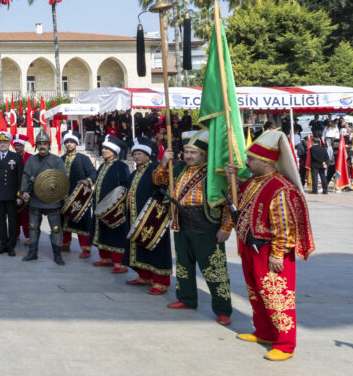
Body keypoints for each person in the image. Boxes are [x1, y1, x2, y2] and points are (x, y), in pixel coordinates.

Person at [226, 130, 315, 361]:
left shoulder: (280, 187)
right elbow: (239, 205)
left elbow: (284, 225)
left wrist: (277, 254)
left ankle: (285, 345)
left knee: (277, 297)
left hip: (270, 250)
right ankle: (264, 332)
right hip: (251, 247)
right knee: (256, 293)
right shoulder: (255, 181)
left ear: (266, 162)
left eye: (251, 159)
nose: (247, 162)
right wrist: (232, 180)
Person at [152, 130, 233, 325]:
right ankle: (186, 298)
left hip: (206, 224)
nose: (188, 156)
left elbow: (228, 201)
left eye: (193, 152)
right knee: (183, 266)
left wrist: (226, 227)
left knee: (214, 269)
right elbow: (157, 180)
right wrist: (164, 161)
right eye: (186, 151)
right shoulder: (178, 168)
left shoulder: (215, 173)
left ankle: (223, 309)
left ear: (203, 154)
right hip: (181, 222)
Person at [125, 137, 172, 294]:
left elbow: (161, 184)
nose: (136, 156)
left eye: (140, 153)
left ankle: (160, 283)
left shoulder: (154, 168)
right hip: (135, 217)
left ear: (147, 155)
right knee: (139, 247)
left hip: (154, 217)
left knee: (156, 249)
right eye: (135, 154)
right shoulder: (134, 173)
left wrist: (164, 163)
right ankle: (144, 276)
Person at [20, 134, 67, 264]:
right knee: (33, 227)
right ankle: (32, 253)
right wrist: (24, 192)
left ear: (49, 145)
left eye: (45, 143)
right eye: (40, 144)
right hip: (35, 199)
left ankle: (57, 255)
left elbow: (63, 179)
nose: (42, 146)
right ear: (36, 145)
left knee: (56, 228)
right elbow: (25, 177)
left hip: (52, 201)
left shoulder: (57, 161)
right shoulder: (31, 161)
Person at [90, 135, 130, 273]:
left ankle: (120, 263)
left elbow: (125, 186)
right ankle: (105, 258)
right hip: (100, 206)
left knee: (115, 233)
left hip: (115, 208)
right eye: (103, 148)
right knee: (102, 231)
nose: (104, 150)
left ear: (114, 151)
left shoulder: (121, 166)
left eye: (107, 148)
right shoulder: (102, 165)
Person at [59, 132, 96, 258]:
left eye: (72, 142)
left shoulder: (83, 158)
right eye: (67, 142)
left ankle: (86, 249)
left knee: (83, 222)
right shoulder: (61, 159)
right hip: (63, 196)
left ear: (76, 143)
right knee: (63, 220)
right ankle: (65, 243)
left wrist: (88, 181)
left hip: (80, 197)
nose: (69, 144)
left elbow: (93, 173)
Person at [0, 132, 23, 256]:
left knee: (12, 222)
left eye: (5, 142)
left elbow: (20, 178)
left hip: (12, 195)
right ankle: (3, 245)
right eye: (0, 142)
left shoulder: (16, 157)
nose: (3, 144)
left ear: (9, 143)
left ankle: (11, 246)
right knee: (1, 222)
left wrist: (19, 195)